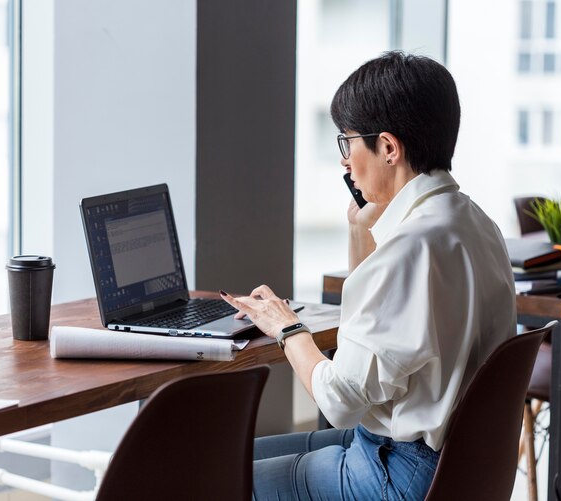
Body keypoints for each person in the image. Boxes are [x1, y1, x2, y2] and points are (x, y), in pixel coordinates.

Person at [220, 51, 516, 501]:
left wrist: (288, 328)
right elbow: (374, 329)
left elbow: (340, 402)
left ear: (389, 148)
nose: (345, 162)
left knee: (210, 479)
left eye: (349, 142)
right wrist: (362, 228)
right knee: (230, 457)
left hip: (400, 472)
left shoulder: (409, 248)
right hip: (453, 465)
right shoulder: (475, 224)